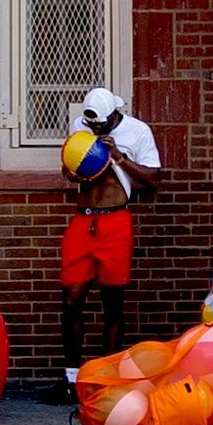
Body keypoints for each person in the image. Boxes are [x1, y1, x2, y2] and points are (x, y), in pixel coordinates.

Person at [56, 87, 166, 374]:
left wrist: (118, 156)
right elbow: (68, 169)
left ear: (115, 114)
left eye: (100, 124)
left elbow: (154, 178)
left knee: (113, 302)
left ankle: (107, 375)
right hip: (83, 219)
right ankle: (71, 376)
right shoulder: (82, 125)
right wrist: (72, 170)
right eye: (90, 124)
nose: (94, 128)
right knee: (71, 298)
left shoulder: (137, 131)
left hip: (115, 219)